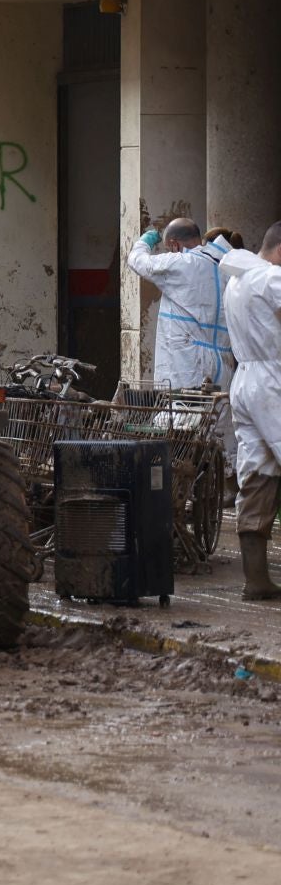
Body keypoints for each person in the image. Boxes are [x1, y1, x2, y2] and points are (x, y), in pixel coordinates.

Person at [223, 221, 281, 600]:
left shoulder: (236, 280)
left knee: (258, 470)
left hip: (244, 381)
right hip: (273, 381)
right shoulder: (270, 278)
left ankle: (256, 580)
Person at [127, 217, 237, 389]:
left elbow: (137, 261)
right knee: (218, 413)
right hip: (223, 364)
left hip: (188, 366)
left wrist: (144, 241)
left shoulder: (181, 263)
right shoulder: (225, 267)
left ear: (174, 245)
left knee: (181, 414)